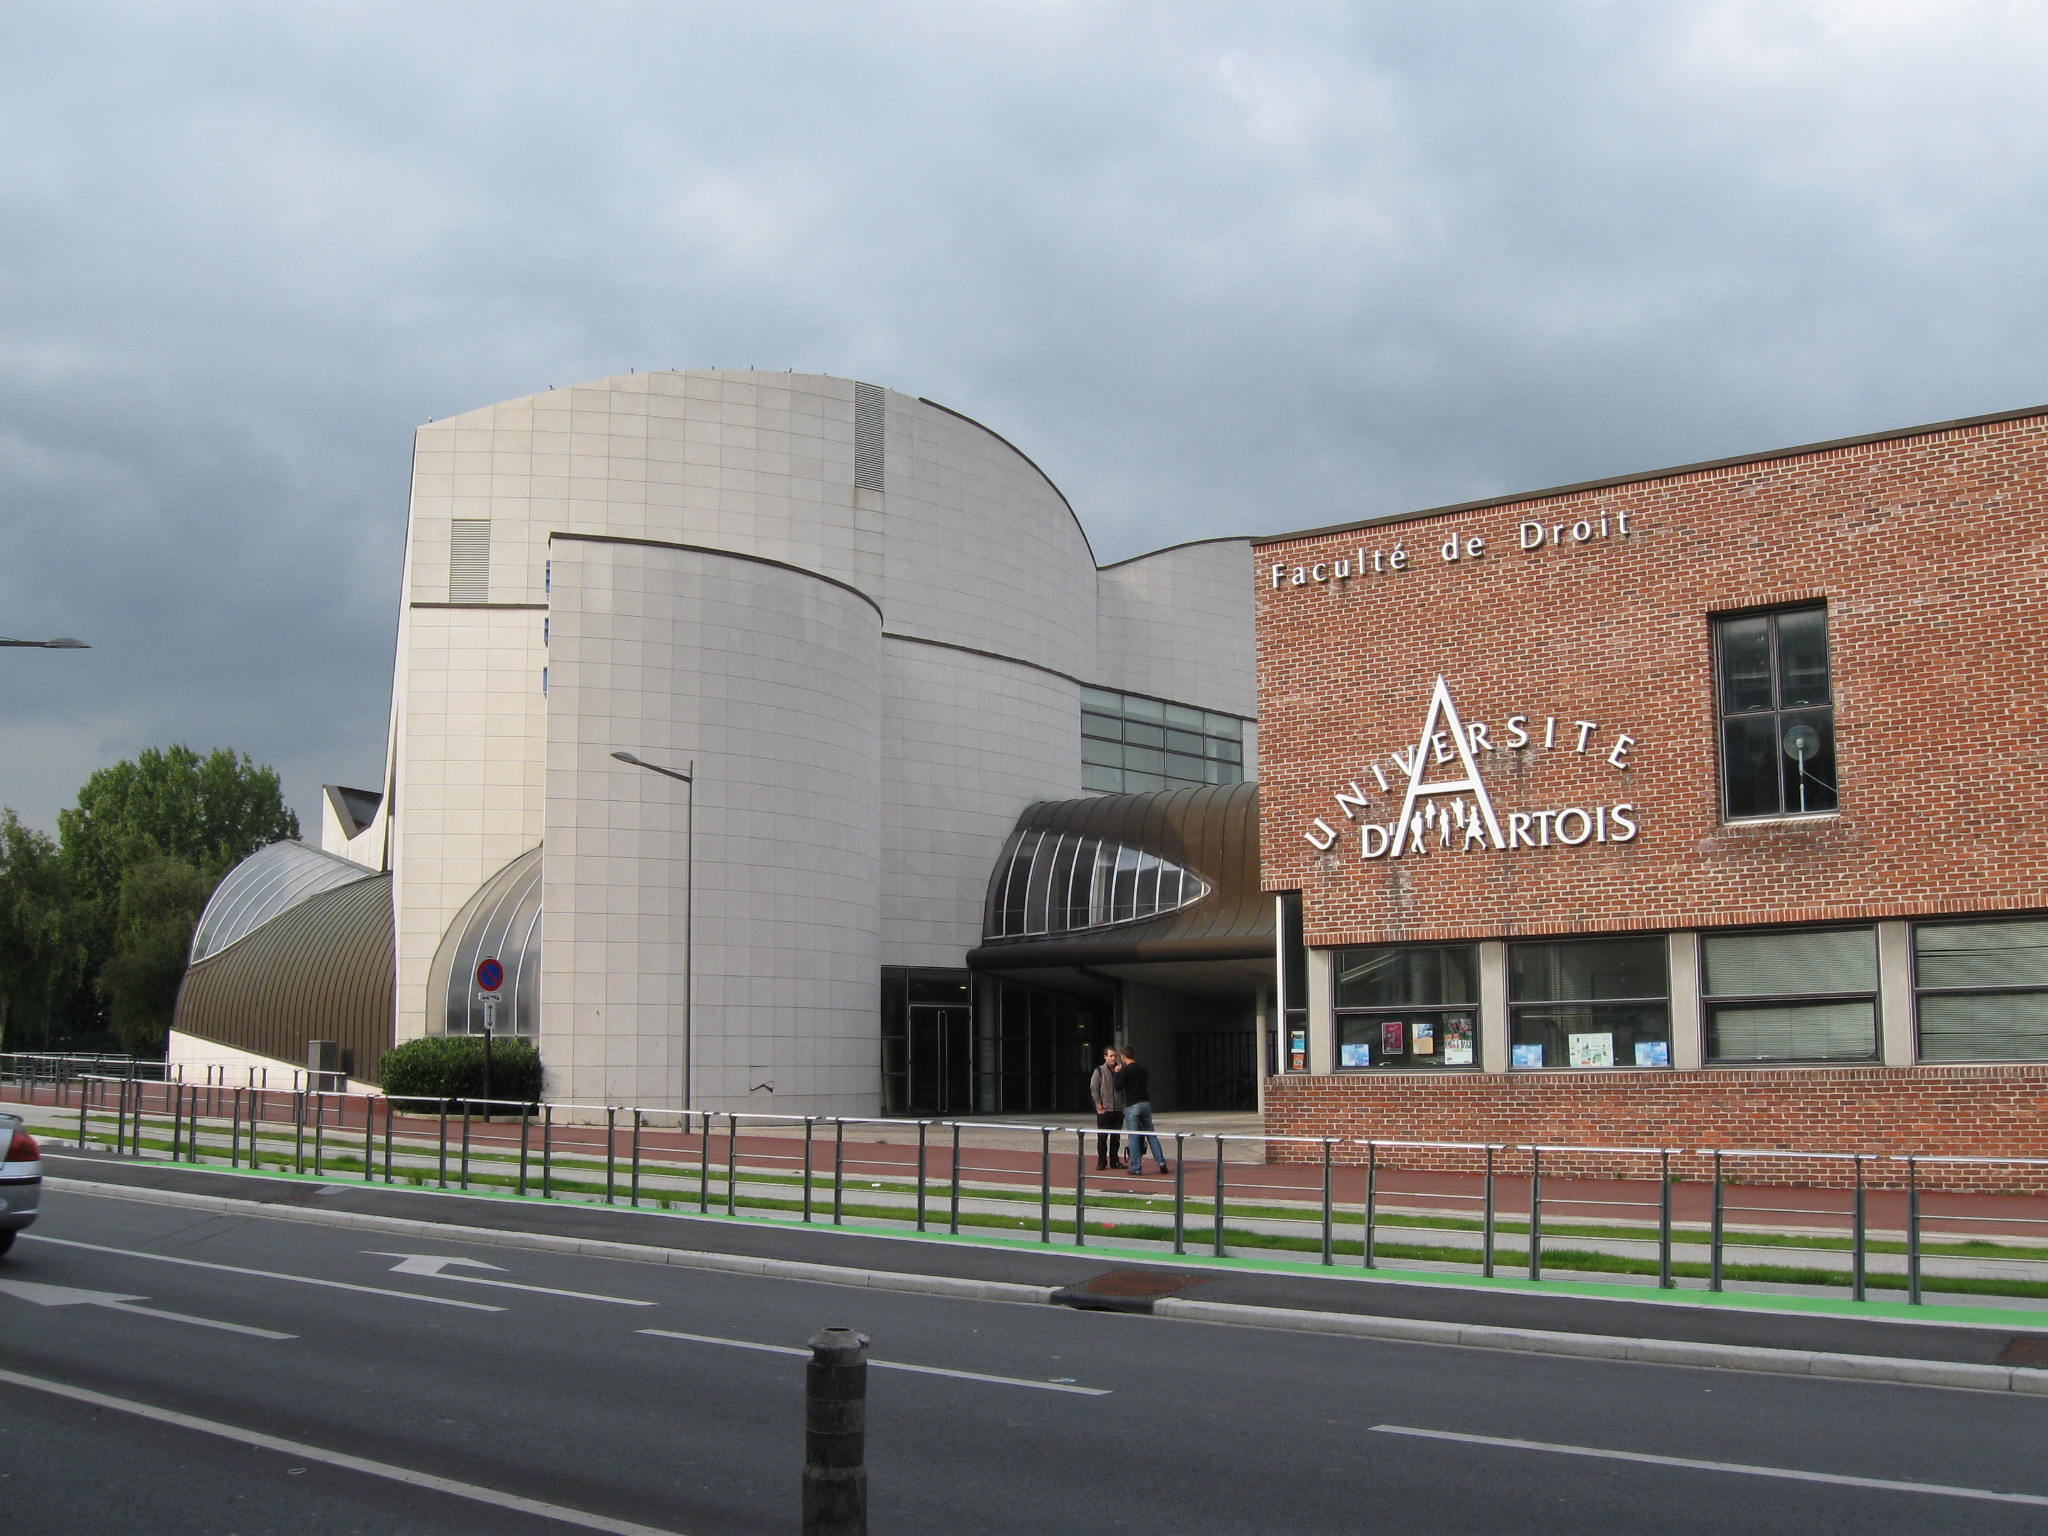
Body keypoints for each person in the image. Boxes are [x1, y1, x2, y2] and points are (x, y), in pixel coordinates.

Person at [1115, 1047, 1169, 1175]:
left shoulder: (1126, 1070)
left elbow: (1118, 1087)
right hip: (1145, 1103)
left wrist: (1117, 1073)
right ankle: (1161, 1161)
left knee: (1134, 1136)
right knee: (1151, 1133)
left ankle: (1136, 1166)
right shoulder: (1143, 1070)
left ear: (1123, 1057)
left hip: (1132, 1104)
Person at [1089, 1046, 1126, 1169]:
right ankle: (1101, 1161)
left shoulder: (1120, 1070)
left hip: (1117, 1109)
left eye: (1115, 1056)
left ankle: (1114, 1160)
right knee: (1102, 1138)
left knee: (1116, 1138)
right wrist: (1099, 1105)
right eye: (1110, 1056)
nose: (1113, 1058)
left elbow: (1124, 1089)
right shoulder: (1099, 1071)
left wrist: (1123, 1107)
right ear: (1105, 1057)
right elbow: (1094, 1089)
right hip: (1105, 1109)